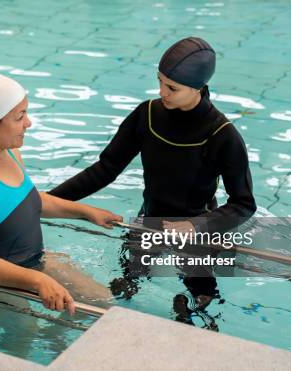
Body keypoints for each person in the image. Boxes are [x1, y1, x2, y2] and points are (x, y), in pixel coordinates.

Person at [48, 37, 257, 324]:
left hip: (199, 231)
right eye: (159, 81)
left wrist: (195, 226)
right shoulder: (147, 115)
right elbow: (105, 169)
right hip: (149, 222)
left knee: (203, 299)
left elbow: (243, 204)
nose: (162, 93)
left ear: (198, 88)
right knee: (124, 288)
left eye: (172, 87)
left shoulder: (222, 134)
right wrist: (44, 200)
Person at [0, 72, 122, 319]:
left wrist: (87, 212)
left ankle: (56, 341)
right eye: (20, 117)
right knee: (26, 333)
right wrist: (38, 281)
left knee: (101, 302)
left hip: (33, 262)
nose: (28, 123)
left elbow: (27, 200)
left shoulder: (8, 149)